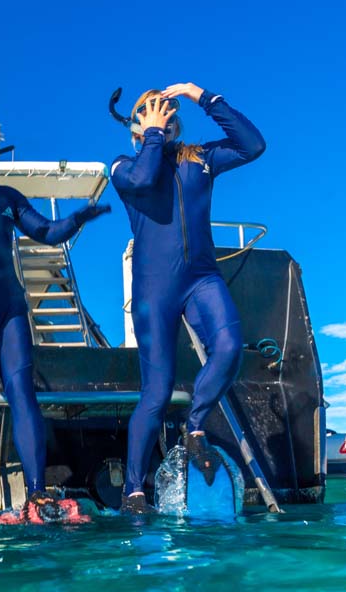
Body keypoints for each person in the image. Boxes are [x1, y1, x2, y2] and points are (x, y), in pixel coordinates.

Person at [0, 122, 107, 526]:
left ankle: (36, 494)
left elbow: (46, 232)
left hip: (7, 309)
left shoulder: (7, 197)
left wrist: (77, 218)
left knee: (21, 392)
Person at [109, 84, 266, 509]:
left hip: (201, 278)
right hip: (153, 288)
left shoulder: (200, 159)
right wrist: (153, 136)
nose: (164, 115)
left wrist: (203, 96)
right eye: (153, 111)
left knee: (230, 345)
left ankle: (195, 425)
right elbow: (144, 177)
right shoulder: (123, 166)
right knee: (156, 392)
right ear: (137, 125)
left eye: (168, 110)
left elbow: (253, 145)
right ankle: (134, 489)